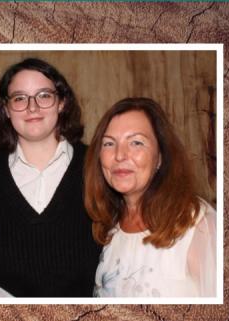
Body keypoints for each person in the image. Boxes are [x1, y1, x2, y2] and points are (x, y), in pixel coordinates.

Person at [0, 58, 100, 297]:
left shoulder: (97, 164)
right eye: (19, 98)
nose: (32, 108)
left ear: (62, 103)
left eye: (44, 95)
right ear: (6, 109)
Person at [85, 97, 216, 298]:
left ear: (160, 157)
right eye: (109, 143)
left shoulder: (197, 224)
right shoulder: (108, 228)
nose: (120, 155)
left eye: (136, 142)